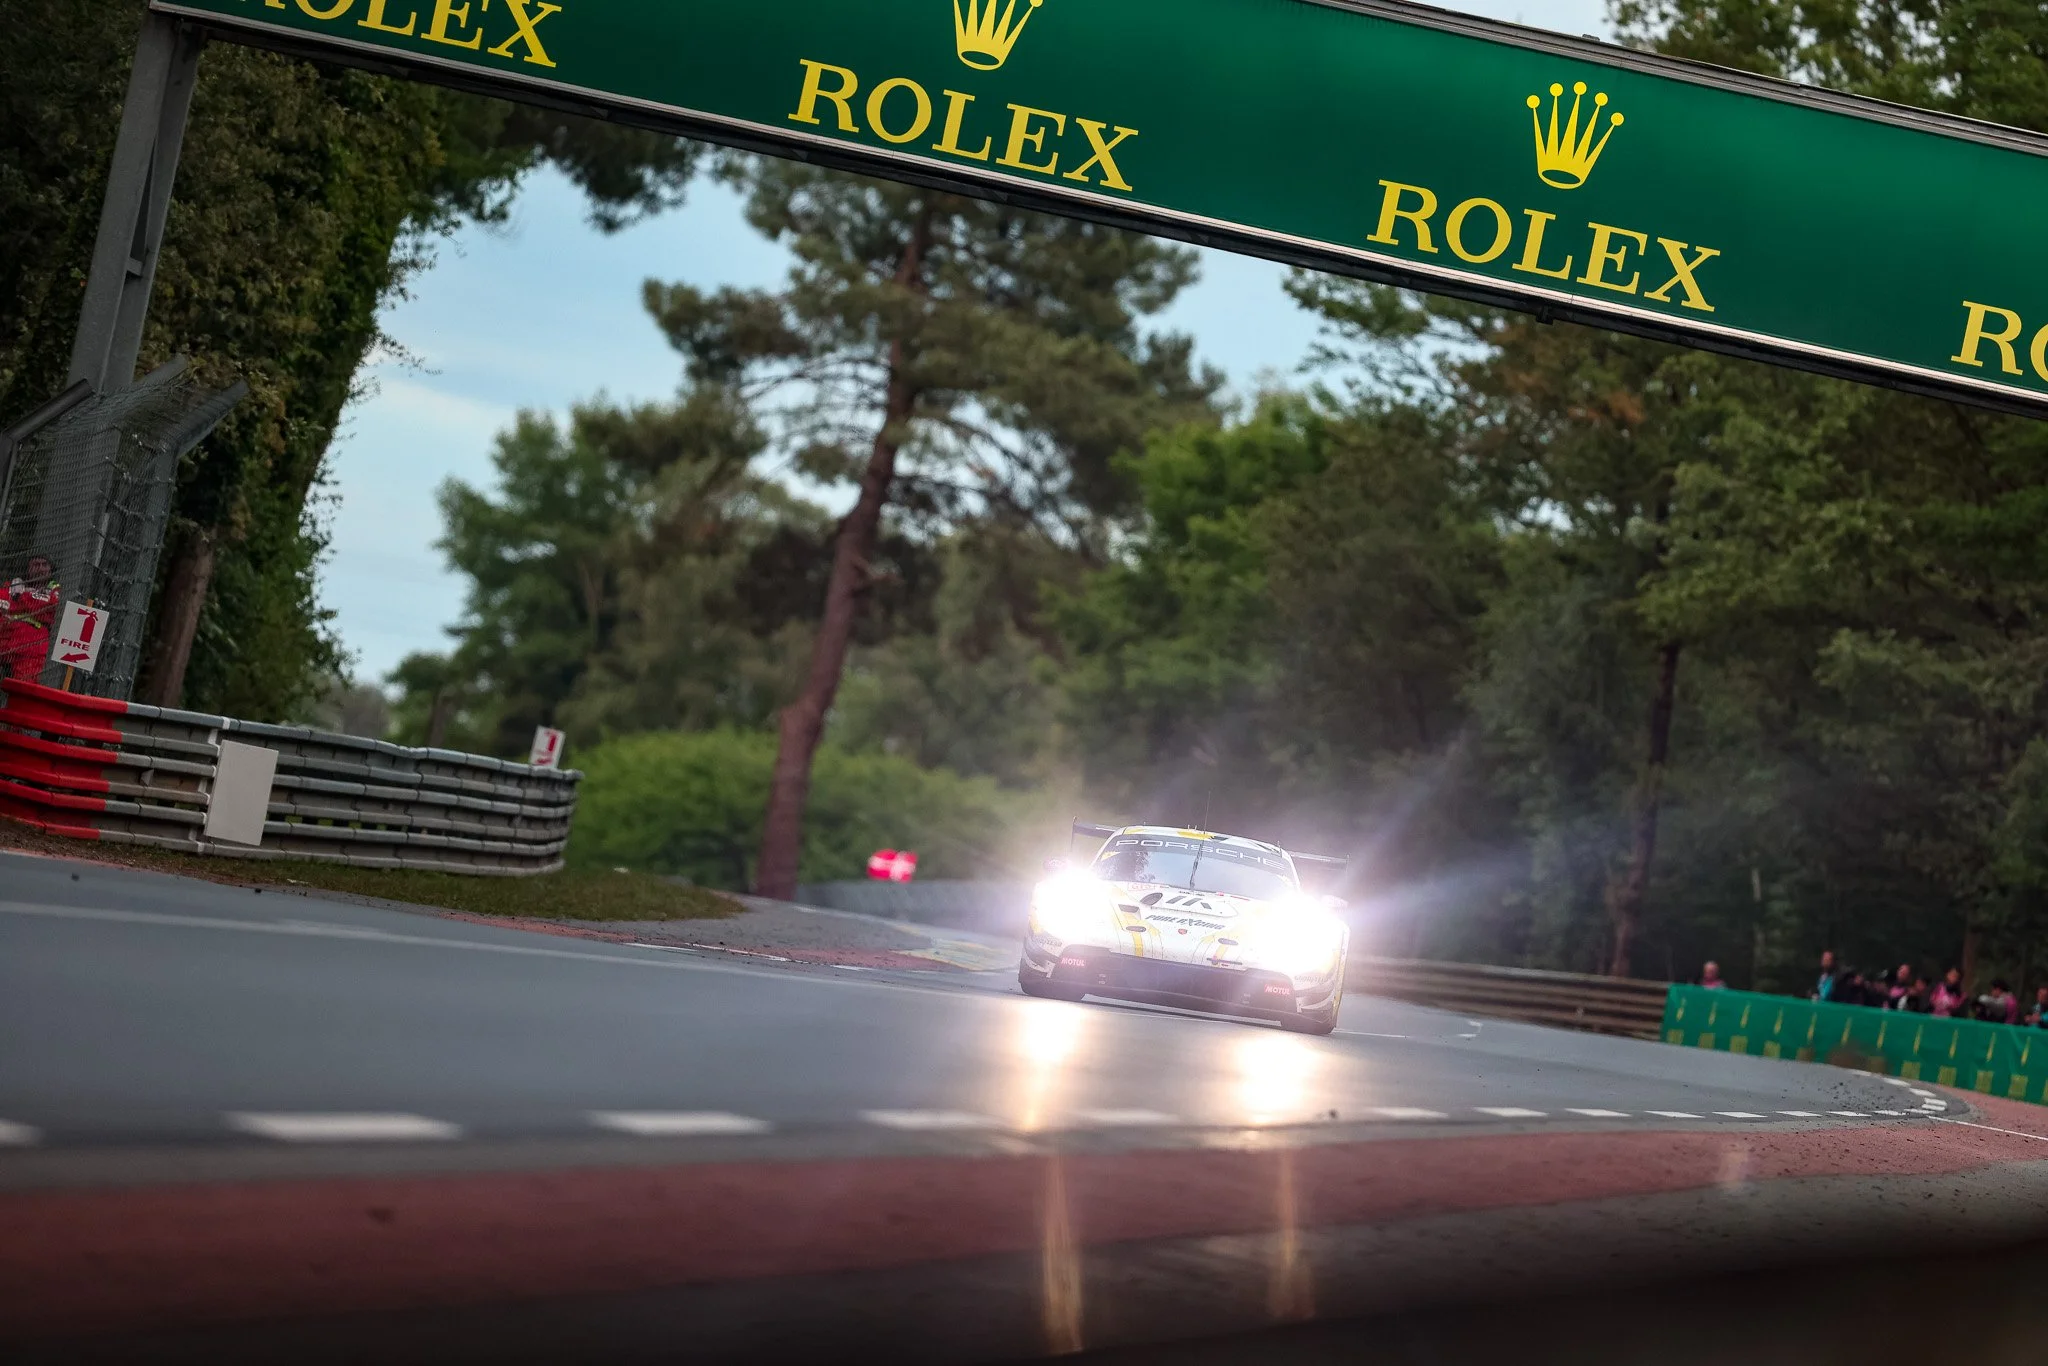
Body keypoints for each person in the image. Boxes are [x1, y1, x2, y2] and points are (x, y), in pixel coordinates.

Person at [0, 553, 60, 682]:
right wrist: (36, 603)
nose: (40, 568)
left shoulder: (57, 590)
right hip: (5, 634)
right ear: (28, 568)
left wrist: (19, 598)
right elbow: (2, 602)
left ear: (51, 569)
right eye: (36, 565)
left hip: (32, 643)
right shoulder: (14, 584)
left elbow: (51, 612)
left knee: (25, 684)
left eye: (44, 565)